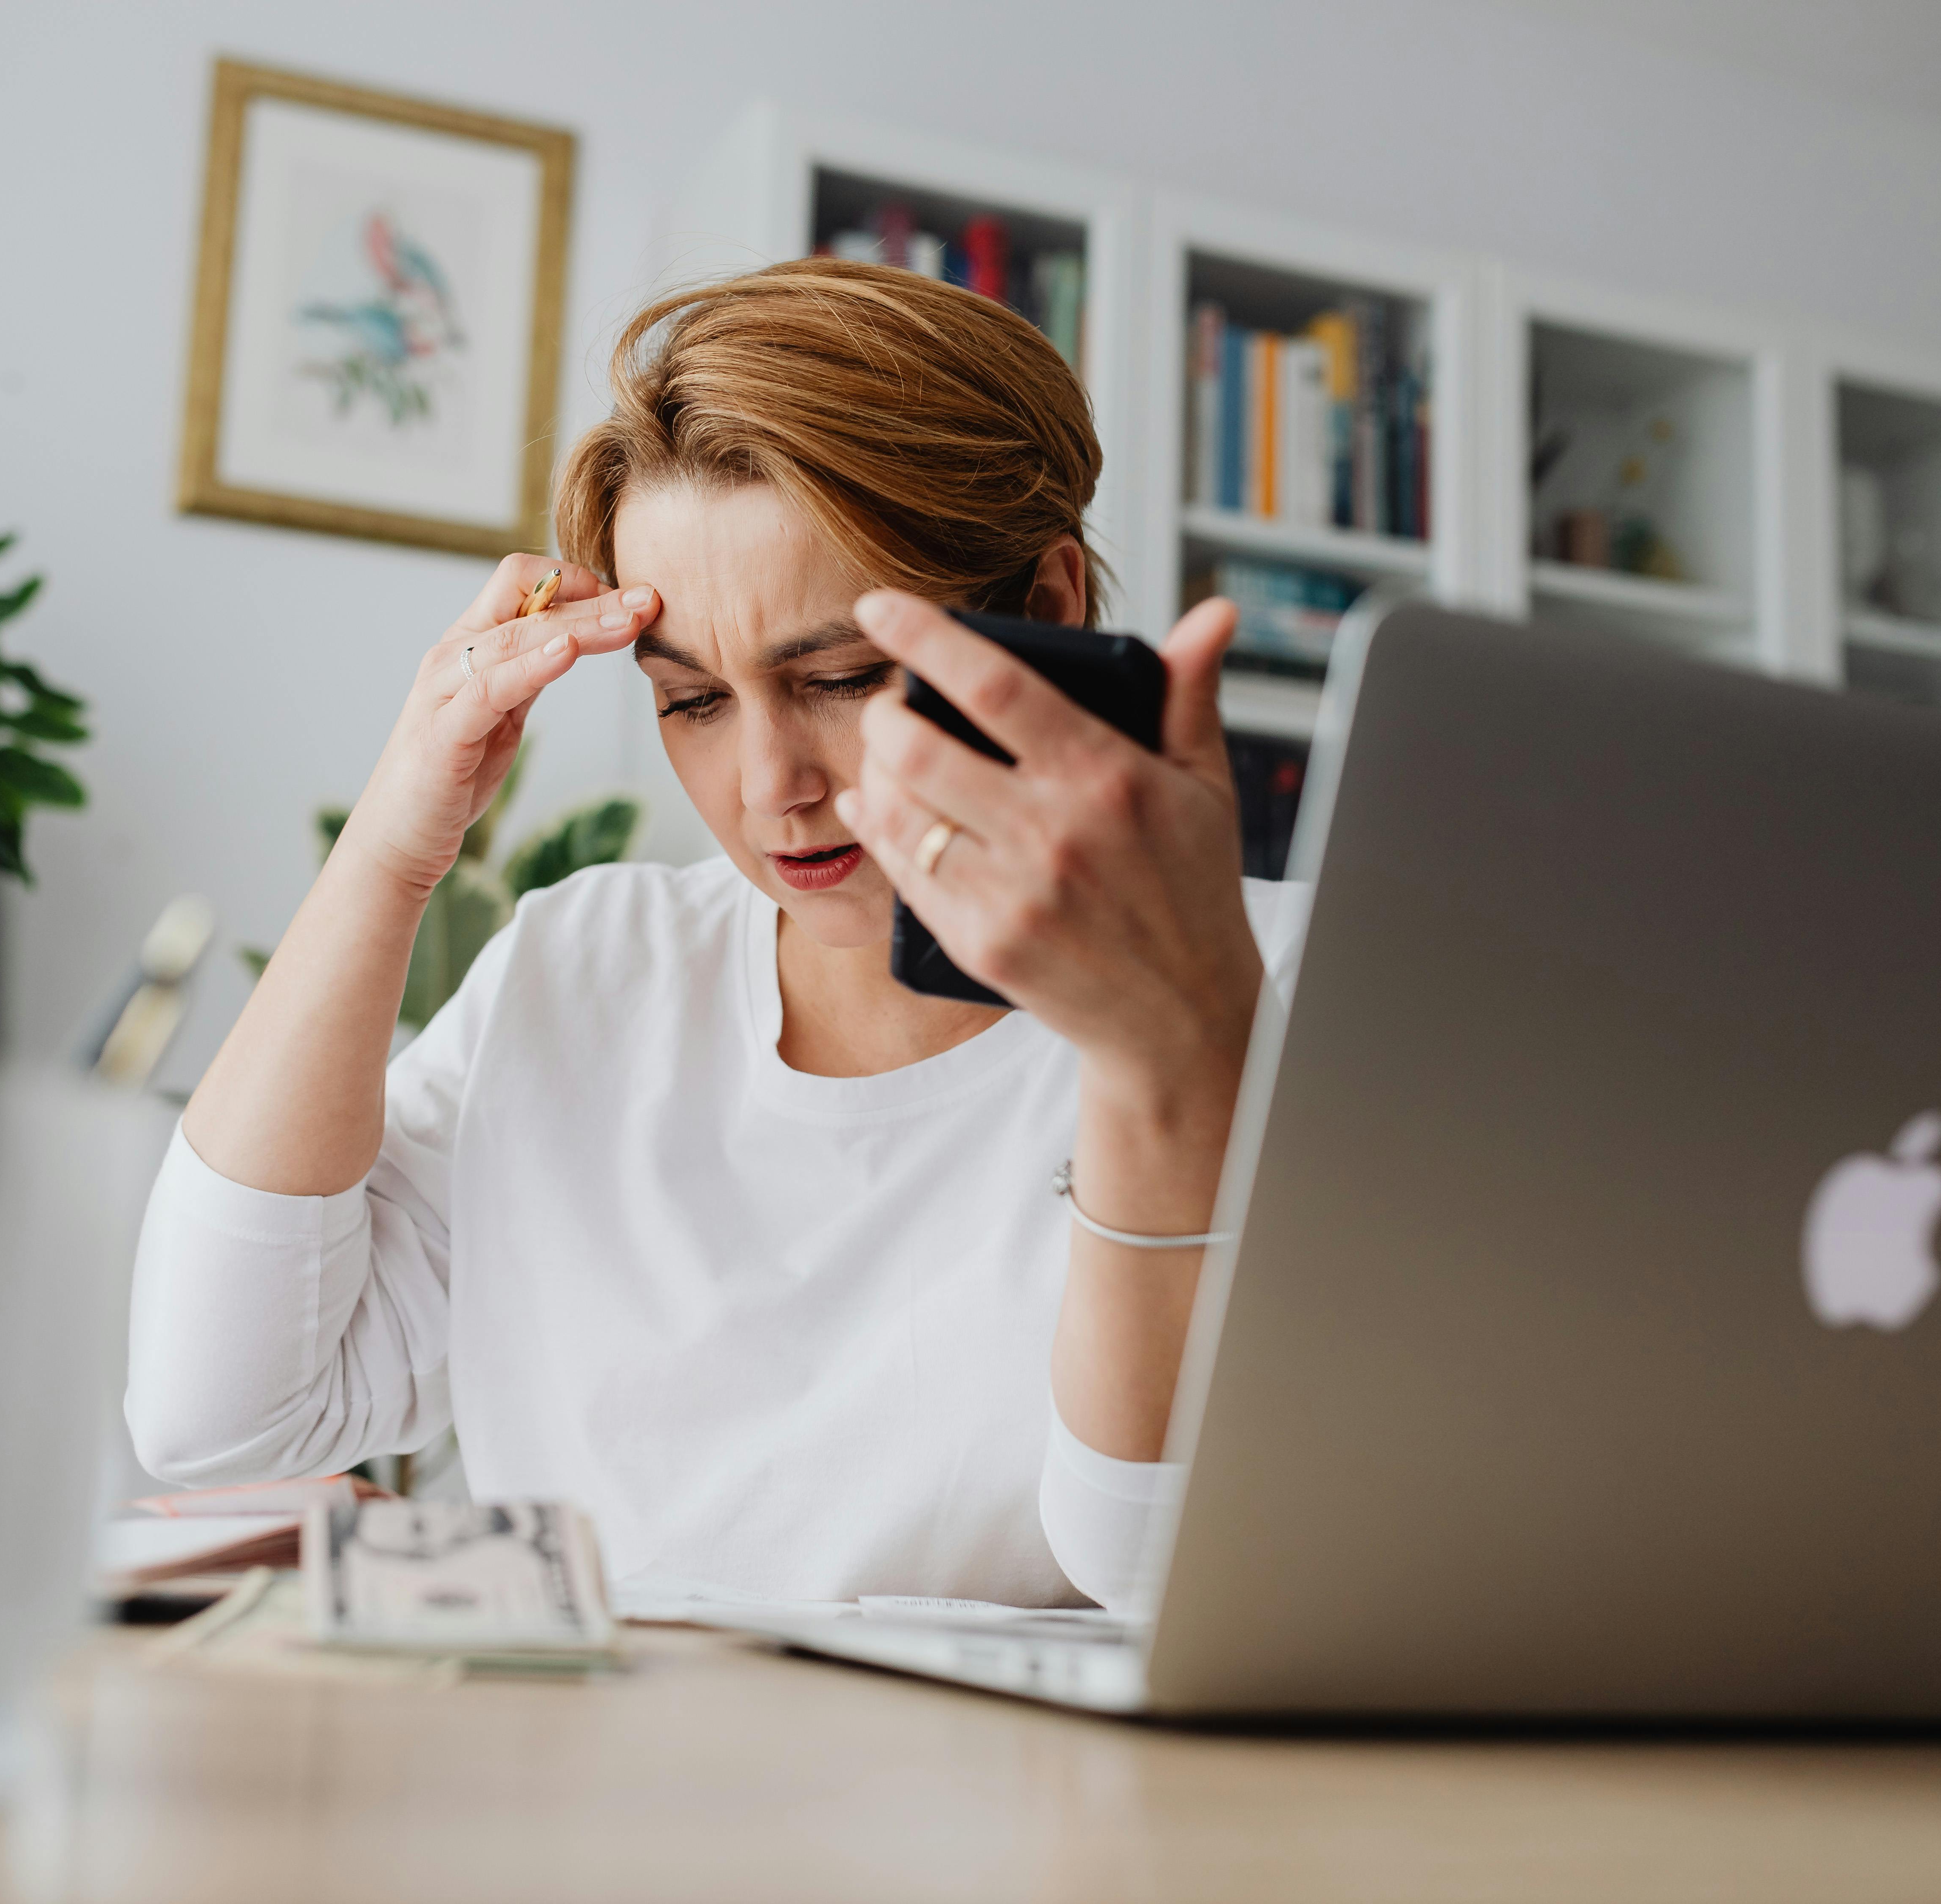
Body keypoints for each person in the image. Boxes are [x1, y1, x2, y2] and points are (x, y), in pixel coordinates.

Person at [126, 259, 1298, 1614]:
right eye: (692, 703)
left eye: (841, 680)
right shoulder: (587, 969)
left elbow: (1160, 1573)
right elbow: (221, 1421)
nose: (769, 789)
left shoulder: (1280, 991)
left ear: (1043, 609)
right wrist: (396, 848)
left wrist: (1169, 1057)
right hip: (594, 1799)